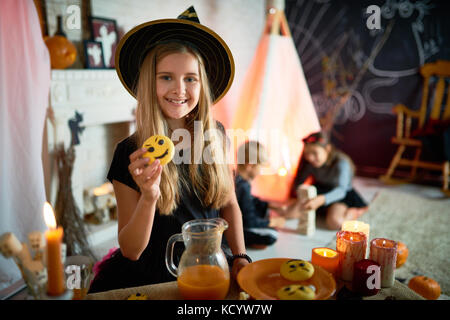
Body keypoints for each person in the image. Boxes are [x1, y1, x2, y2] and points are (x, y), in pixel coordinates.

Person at [88, 7, 250, 294]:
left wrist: (240, 256)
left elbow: (229, 203)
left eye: (190, 78)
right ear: (150, 83)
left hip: (209, 265)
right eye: (166, 77)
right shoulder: (130, 153)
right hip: (152, 274)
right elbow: (131, 250)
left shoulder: (217, 135)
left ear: (202, 84)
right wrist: (149, 195)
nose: (180, 89)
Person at [288, 131, 368, 230]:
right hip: (321, 188)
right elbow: (299, 182)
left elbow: (341, 190)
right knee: (291, 213)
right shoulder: (309, 162)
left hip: (340, 194)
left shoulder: (342, 163)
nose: (310, 158)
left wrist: (321, 200)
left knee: (335, 223)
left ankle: (355, 211)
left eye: (314, 153)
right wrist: (298, 195)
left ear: (327, 149)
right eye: (307, 153)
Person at [234, 141, 286, 249]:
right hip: (239, 226)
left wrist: (270, 205)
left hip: (242, 219)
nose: (261, 171)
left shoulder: (238, 179)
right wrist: (272, 222)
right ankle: (246, 241)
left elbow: (250, 201)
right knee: (272, 235)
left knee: (264, 210)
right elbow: (248, 220)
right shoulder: (243, 186)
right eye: (261, 167)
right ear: (250, 165)